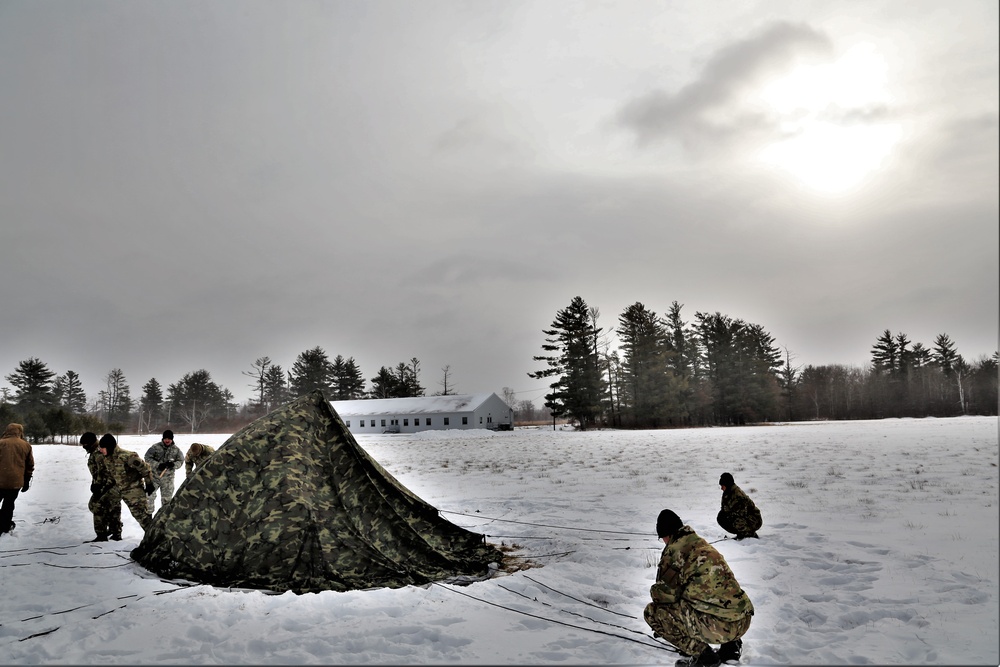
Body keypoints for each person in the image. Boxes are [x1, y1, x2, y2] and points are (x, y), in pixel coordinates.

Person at [645, 509, 754, 667]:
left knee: (653, 613)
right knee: (713, 596)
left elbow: (663, 596)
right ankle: (730, 649)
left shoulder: (674, 551)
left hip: (720, 628)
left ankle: (704, 657)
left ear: (666, 535)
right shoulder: (700, 542)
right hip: (742, 621)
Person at [99, 433, 155, 532]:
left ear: (109, 447)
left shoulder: (127, 456)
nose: (100, 450)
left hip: (133, 489)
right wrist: (104, 488)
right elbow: (112, 475)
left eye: (102, 448)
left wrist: (149, 483)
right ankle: (114, 531)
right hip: (119, 488)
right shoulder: (107, 458)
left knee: (141, 517)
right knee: (102, 503)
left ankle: (156, 538)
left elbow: (146, 468)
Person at [80, 432, 123, 542]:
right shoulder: (95, 452)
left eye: (84, 444)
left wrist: (100, 486)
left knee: (98, 506)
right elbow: (98, 472)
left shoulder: (100, 452)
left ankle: (102, 535)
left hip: (111, 485)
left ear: (90, 443)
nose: (83, 447)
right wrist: (95, 484)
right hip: (106, 484)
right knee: (111, 507)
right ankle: (115, 531)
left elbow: (106, 471)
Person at [0, 423, 34, 535]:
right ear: (20, 432)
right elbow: (30, 465)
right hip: (15, 482)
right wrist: (27, 481)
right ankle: (4, 526)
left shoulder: (1, 443)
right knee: (8, 505)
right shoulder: (25, 445)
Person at [144, 429, 184, 514]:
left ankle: (163, 518)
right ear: (163, 439)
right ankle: (148, 516)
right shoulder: (155, 447)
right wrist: (158, 465)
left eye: (169, 439)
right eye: (165, 438)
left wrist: (173, 465)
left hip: (168, 479)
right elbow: (147, 458)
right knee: (149, 497)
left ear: (172, 439)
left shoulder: (176, 450)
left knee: (167, 500)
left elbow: (180, 461)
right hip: (154, 477)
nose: (167, 440)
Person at [716, 472, 762, 540]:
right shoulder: (727, 493)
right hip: (742, 517)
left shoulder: (738, 496)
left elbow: (742, 514)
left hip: (754, 520)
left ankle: (749, 533)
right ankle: (741, 533)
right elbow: (725, 509)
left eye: (722, 486)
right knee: (721, 517)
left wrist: (729, 515)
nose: (721, 488)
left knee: (736, 520)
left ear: (727, 485)